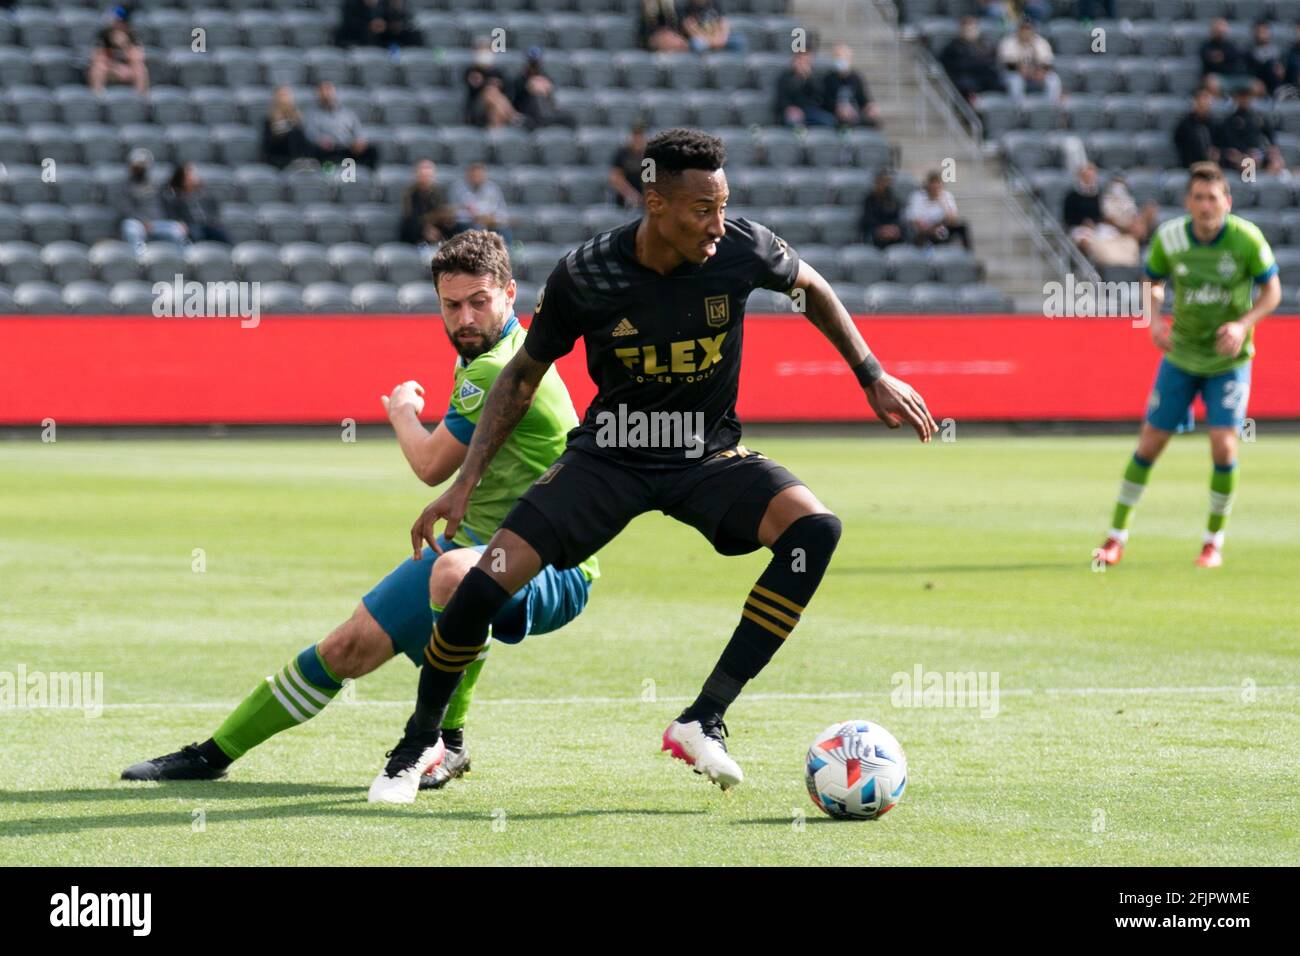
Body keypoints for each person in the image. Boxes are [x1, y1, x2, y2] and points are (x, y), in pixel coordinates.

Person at [371, 128, 936, 802]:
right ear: (656, 204)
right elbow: (521, 375)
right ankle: (416, 746)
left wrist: (870, 373)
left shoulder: (742, 249)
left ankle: (705, 717)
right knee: (480, 585)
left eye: (723, 206)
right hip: (610, 455)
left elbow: (808, 285)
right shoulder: (588, 273)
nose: (718, 226)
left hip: (706, 454)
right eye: (703, 209)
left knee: (815, 529)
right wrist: (463, 485)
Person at [121, 231, 600, 796]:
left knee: (456, 580)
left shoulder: (495, 368)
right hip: (474, 541)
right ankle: (211, 755)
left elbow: (428, 466)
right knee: (347, 647)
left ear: (510, 294)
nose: (465, 317)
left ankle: (446, 739)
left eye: (479, 301)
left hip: (553, 565)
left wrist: (400, 411)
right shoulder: (487, 356)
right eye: (451, 305)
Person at [1097, 163, 1279, 569]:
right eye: (1198, 198)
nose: (1205, 206)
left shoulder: (1247, 239)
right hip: (1181, 356)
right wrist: (1154, 317)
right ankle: (1115, 538)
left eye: (1213, 198)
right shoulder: (1171, 237)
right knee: (1149, 444)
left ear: (1226, 202)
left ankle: (1213, 543)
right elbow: (1153, 280)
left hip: (1228, 359)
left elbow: (1272, 290)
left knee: (1224, 444)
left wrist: (1242, 324)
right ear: (1188, 203)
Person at [117, 149, 185, 256]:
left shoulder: (156, 186)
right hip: (139, 223)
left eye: (143, 165)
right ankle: (141, 260)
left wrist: (178, 220)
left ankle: (180, 262)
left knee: (177, 229)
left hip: (158, 223)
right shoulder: (126, 186)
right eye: (137, 165)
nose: (140, 168)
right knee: (130, 227)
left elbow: (169, 205)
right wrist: (143, 221)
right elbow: (126, 210)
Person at [305, 81, 378, 169]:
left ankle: (366, 177)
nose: (326, 94)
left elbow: (358, 132)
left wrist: (358, 141)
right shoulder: (312, 114)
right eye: (323, 91)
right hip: (328, 150)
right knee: (316, 151)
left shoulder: (348, 113)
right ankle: (327, 175)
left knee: (372, 150)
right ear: (318, 95)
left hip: (347, 148)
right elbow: (310, 134)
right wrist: (320, 140)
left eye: (328, 90)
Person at [1215, 86, 1285, 176]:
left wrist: (1272, 148)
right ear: (1236, 98)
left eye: (1247, 97)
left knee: (1276, 162)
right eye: (1241, 97)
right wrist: (1243, 154)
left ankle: (1267, 187)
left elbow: (1270, 134)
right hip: (1237, 154)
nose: (1244, 100)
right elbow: (1228, 141)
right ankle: (1248, 186)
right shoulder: (1229, 120)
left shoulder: (1258, 117)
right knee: (1246, 163)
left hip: (1257, 153)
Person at [161, 163, 230, 245]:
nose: (193, 177)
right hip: (191, 226)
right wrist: (180, 223)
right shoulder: (175, 198)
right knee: (196, 234)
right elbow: (172, 215)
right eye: (189, 175)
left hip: (208, 225)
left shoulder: (206, 195)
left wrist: (214, 222)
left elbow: (214, 212)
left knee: (221, 234)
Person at [940, 16, 1005, 103]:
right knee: (967, 85)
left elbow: (991, 61)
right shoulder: (953, 46)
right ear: (961, 30)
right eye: (967, 29)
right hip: (965, 77)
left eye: (973, 29)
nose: (970, 32)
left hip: (984, 76)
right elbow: (958, 65)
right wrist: (979, 62)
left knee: (1000, 84)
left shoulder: (984, 44)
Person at [510, 48, 576, 131]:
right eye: (532, 63)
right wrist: (531, 88)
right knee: (537, 97)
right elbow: (517, 100)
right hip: (528, 112)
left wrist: (545, 88)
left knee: (569, 118)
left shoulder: (544, 75)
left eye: (536, 63)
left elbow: (550, 92)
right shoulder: (520, 79)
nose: (534, 66)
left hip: (547, 111)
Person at [997, 19, 1061, 102]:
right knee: (1016, 81)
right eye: (1023, 29)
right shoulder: (1009, 42)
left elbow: (1048, 63)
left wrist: (1041, 72)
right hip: (1013, 73)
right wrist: (1025, 71)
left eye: (1028, 29)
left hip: (1035, 74)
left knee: (1053, 79)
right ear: (1019, 30)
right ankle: (1019, 110)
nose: (1026, 32)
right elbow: (1009, 65)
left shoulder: (1040, 42)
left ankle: (1051, 107)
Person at [448, 162, 512, 246]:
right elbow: (452, 212)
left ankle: (505, 256)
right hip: (466, 223)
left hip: (489, 223)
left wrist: (491, 218)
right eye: (474, 175)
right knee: (473, 230)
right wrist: (473, 217)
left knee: (504, 231)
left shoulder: (493, 189)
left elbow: (502, 212)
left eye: (479, 175)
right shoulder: (458, 189)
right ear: (468, 175)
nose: (476, 178)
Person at [88, 8, 148, 95]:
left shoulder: (132, 35)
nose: (118, 24)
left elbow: (138, 57)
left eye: (121, 22)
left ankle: (140, 98)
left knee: (140, 68)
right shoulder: (104, 34)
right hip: (110, 69)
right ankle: (97, 96)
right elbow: (97, 57)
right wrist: (116, 67)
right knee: (98, 67)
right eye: (116, 21)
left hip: (127, 69)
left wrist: (125, 45)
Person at [904, 171, 971, 249]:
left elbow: (953, 219)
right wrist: (929, 228)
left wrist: (942, 203)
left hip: (941, 227)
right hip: (924, 230)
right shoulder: (918, 197)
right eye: (933, 183)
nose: (935, 186)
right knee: (935, 234)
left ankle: (968, 254)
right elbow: (913, 218)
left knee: (962, 227)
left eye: (938, 183)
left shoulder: (946, 196)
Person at [400, 159, 456, 252]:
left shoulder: (439, 192)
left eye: (428, 176)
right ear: (417, 175)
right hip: (416, 229)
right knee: (410, 224)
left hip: (436, 227)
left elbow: (441, 211)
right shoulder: (409, 193)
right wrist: (425, 229)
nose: (426, 179)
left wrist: (447, 220)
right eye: (423, 176)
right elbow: (410, 215)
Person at [464, 38, 519, 129]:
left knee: (495, 107)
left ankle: (496, 134)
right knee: (490, 91)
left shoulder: (498, 72)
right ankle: (513, 116)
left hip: (496, 109)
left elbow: (508, 90)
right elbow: (473, 88)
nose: (484, 53)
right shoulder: (471, 71)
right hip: (477, 109)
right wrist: (485, 83)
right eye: (481, 50)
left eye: (487, 49)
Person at [821, 44, 879, 128]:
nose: (840, 60)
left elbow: (862, 98)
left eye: (843, 57)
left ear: (849, 59)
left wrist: (869, 106)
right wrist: (838, 108)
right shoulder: (828, 78)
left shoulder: (856, 78)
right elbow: (825, 100)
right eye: (837, 57)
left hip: (853, 114)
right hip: (835, 115)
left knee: (873, 122)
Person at [775, 51, 836, 128]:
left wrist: (808, 78)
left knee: (829, 121)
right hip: (791, 110)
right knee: (795, 123)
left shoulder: (814, 77)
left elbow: (819, 97)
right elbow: (781, 99)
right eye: (800, 60)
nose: (802, 64)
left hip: (809, 110)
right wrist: (789, 108)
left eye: (806, 61)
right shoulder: (785, 77)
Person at [261, 86, 316, 170]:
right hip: (278, 156)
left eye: (287, 96)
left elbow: (303, 141)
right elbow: (267, 145)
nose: (284, 99)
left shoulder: (297, 118)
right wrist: (281, 131)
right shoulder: (269, 120)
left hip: (296, 156)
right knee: (291, 133)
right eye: (281, 96)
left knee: (297, 132)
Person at [1173, 87, 1221, 169]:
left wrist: (1217, 153)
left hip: (1213, 166)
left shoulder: (1214, 123)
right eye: (1201, 100)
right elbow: (1183, 148)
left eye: (1207, 99)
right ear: (1195, 102)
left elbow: (1220, 144)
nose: (1204, 103)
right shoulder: (1185, 125)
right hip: (1191, 165)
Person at [679, 0, 746, 54]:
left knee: (739, 41)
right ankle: (705, 68)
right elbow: (690, 28)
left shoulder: (715, 3)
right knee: (697, 45)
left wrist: (723, 38)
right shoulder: (686, 6)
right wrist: (712, 41)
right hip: (702, 38)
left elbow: (723, 23)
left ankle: (732, 65)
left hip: (718, 37)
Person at [609, 122, 649, 209]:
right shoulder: (622, 153)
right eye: (635, 136)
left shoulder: (648, 155)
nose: (637, 139)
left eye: (640, 136)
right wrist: (631, 194)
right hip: (624, 198)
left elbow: (651, 179)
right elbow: (615, 178)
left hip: (644, 199)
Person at [860, 169, 904, 248]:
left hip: (891, 232)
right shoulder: (869, 199)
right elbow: (867, 219)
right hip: (875, 231)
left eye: (885, 182)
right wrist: (881, 229)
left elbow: (897, 217)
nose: (882, 185)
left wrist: (893, 228)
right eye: (880, 182)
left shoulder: (893, 199)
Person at [1200, 18, 1246, 83]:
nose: (1220, 31)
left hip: (1232, 76)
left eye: (1222, 28)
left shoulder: (1231, 45)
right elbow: (1209, 60)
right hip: (1215, 77)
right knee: (1211, 81)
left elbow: (1235, 58)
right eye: (1217, 28)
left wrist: (1222, 57)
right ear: (1212, 29)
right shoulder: (1206, 46)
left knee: (1256, 85)